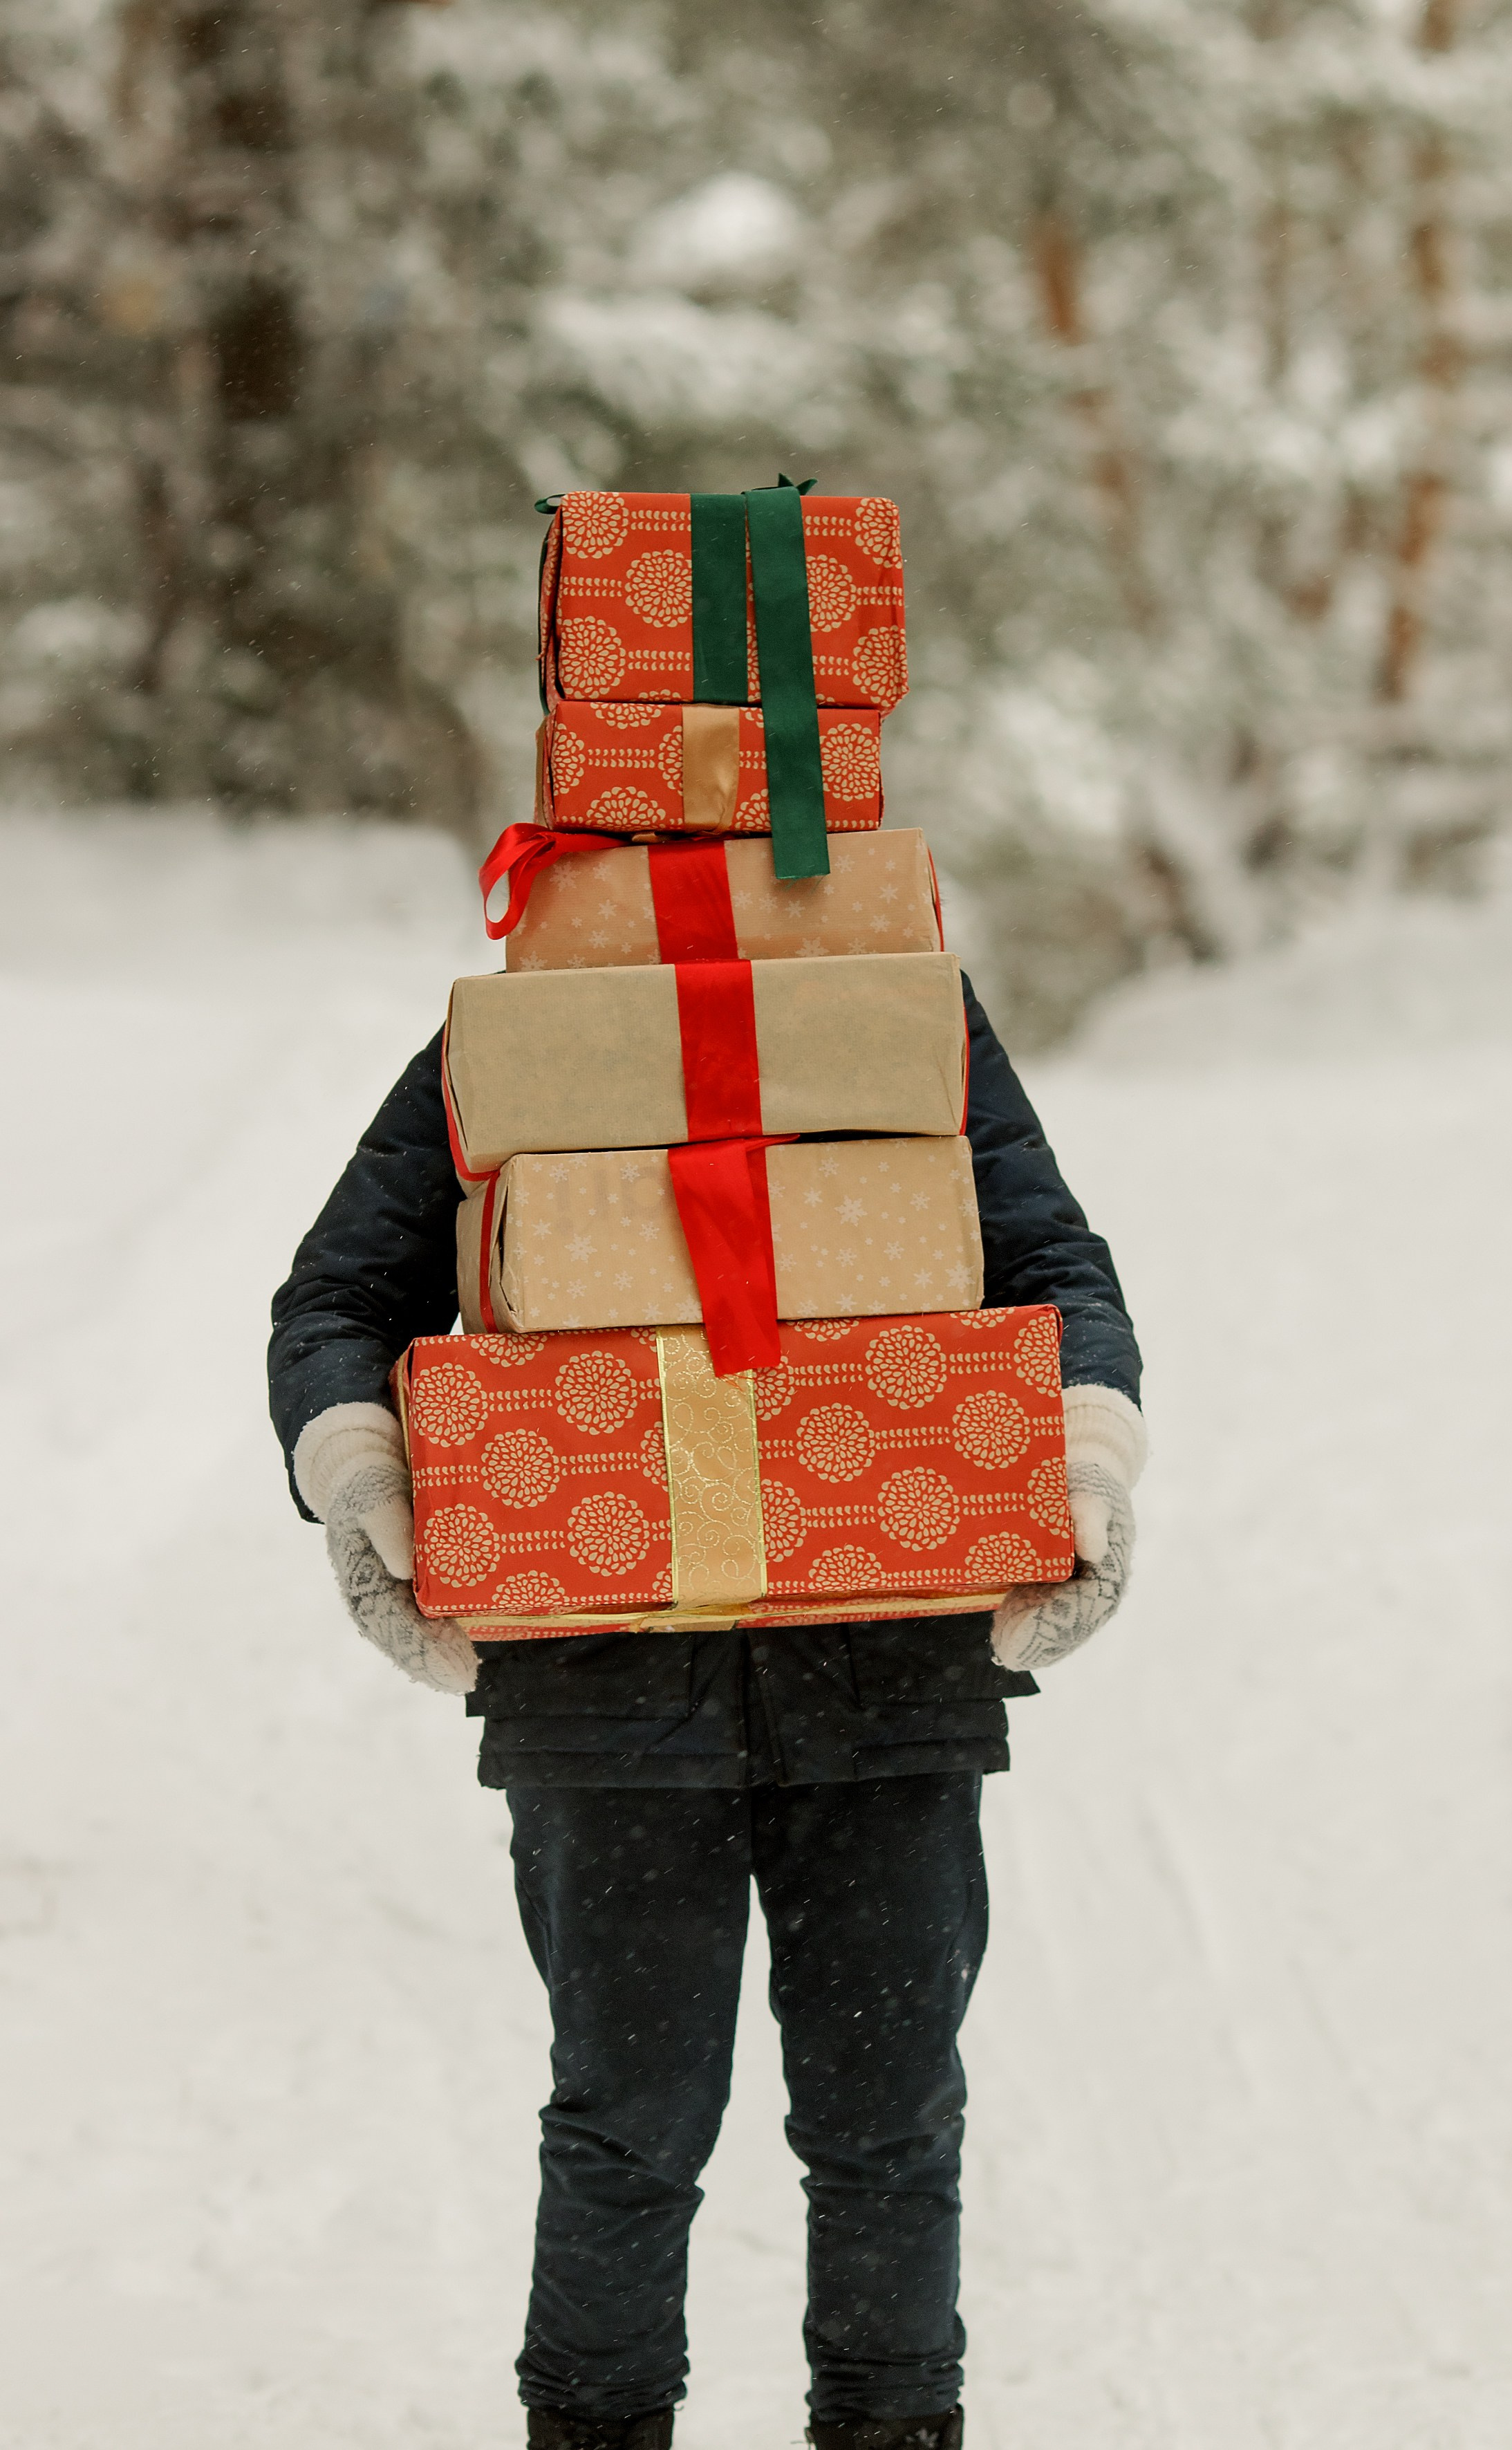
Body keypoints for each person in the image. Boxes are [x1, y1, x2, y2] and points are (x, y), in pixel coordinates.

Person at [268, 969, 1144, 2450]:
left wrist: (1088, 1459)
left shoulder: (895, 1010)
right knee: (633, 2124)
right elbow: (342, 1294)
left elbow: (1050, 1266)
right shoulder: (530, 1029)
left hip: (883, 1668)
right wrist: (363, 1481)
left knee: (887, 2121)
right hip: (605, 1675)